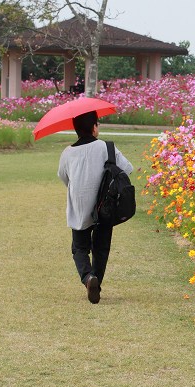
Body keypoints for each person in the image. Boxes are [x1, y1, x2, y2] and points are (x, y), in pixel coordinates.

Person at [57, 111, 133, 304]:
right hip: (105, 206)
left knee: (79, 248)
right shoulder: (106, 147)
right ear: (94, 127)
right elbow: (127, 168)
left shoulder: (67, 152)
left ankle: (88, 277)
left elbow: (64, 177)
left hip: (80, 206)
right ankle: (96, 284)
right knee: (101, 248)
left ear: (76, 129)